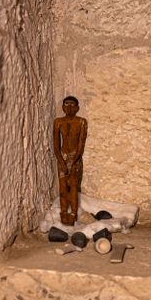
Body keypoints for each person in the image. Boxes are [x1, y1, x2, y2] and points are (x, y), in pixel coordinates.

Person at [53, 96, 87, 226]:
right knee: (62, 187)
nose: (69, 108)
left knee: (73, 187)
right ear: (62, 107)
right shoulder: (58, 122)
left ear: (77, 108)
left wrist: (74, 160)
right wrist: (61, 161)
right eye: (66, 105)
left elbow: (80, 144)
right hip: (62, 156)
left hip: (75, 158)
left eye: (72, 105)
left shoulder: (81, 122)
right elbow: (56, 145)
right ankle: (63, 212)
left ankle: (73, 213)